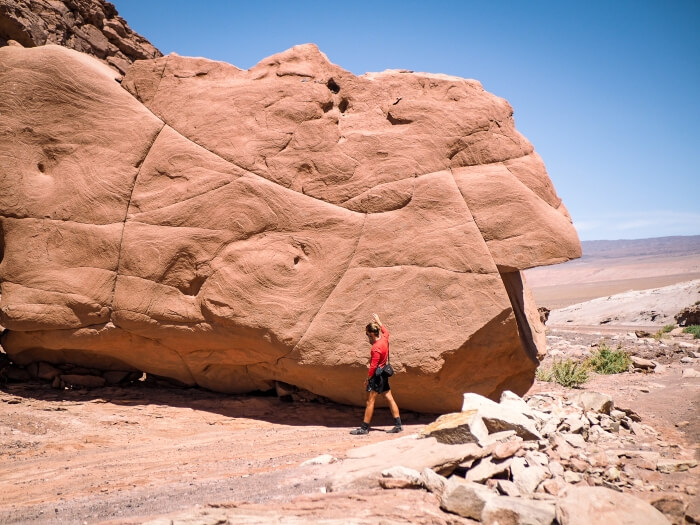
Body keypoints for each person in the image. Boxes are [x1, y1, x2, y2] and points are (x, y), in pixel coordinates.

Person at [350, 313, 402, 435]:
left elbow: (373, 366)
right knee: (389, 398)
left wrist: (368, 379)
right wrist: (379, 321)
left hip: (377, 377)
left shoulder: (376, 348)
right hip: (384, 374)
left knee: (370, 402)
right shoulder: (385, 338)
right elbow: (386, 331)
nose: (367, 336)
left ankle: (364, 428)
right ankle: (398, 425)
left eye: (367, 334)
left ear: (372, 334)